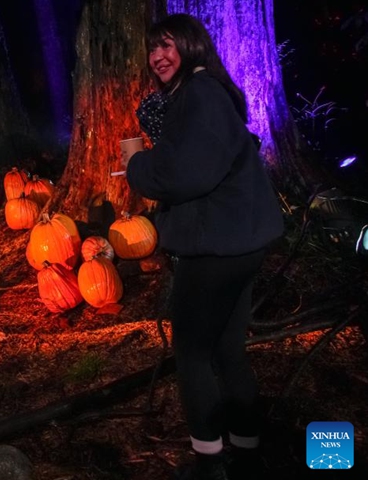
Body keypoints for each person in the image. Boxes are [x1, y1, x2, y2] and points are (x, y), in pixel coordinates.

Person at [123, 14, 284, 480]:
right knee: (229, 348)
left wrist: (137, 164)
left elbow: (184, 175)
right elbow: (198, 156)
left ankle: (209, 463)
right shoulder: (204, 93)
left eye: (167, 45)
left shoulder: (202, 94)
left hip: (215, 248)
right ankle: (247, 450)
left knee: (192, 353)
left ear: (192, 45)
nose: (158, 56)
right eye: (153, 49)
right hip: (240, 241)